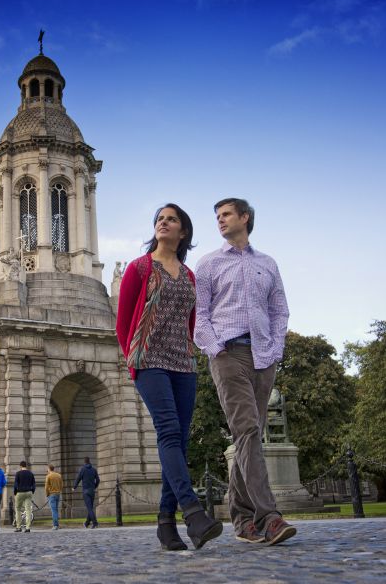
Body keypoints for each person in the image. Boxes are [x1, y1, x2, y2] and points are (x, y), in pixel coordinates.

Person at [115, 203, 223, 551]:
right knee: (169, 431)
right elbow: (123, 323)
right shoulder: (139, 267)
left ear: (183, 231)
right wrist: (133, 359)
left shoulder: (190, 276)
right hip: (149, 360)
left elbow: (192, 321)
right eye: (160, 219)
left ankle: (165, 524)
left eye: (171, 219)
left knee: (179, 441)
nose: (163, 223)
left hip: (183, 364)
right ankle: (193, 513)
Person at [194, 197, 296, 546]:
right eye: (217, 216)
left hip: (264, 356)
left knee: (247, 436)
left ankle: (240, 519)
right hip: (228, 354)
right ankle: (268, 517)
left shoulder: (267, 264)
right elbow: (199, 315)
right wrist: (216, 348)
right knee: (248, 429)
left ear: (245, 217)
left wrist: (275, 349)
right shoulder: (208, 263)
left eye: (226, 214)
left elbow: (280, 311)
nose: (220, 220)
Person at [73, 457, 100, 529]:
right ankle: (86, 523)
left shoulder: (82, 469)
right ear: (89, 461)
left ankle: (95, 523)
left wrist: (74, 487)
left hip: (86, 491)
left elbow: (78, 479)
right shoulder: (94, 470)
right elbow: (98, 480)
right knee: (90, 507)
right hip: (92, 491)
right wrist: (94, 486)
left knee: (89, 508)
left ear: (84, 462)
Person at [13, 460, 36, 532]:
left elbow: (15, 485)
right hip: (29, 492)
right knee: (28, 510)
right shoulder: (30, 473)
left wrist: (15, 493)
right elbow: (34, 484)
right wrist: (32, 491)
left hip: (20, 492)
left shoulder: (18, 473)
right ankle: (28, 527)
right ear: (26, 466)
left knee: (18, 509)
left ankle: (18, 527)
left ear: (20, 466)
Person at [44, 464, 63, 530]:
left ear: (49, 469)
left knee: (53, 510)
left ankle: (55, 525)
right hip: (58, 494)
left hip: (51, 494)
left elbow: (46, 487)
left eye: (48, 469)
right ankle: (57, 524)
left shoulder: (48, 476)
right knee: (56, 510)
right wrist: (59, 491)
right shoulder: (59, 475)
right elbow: (61, 485)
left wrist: (47, 494)